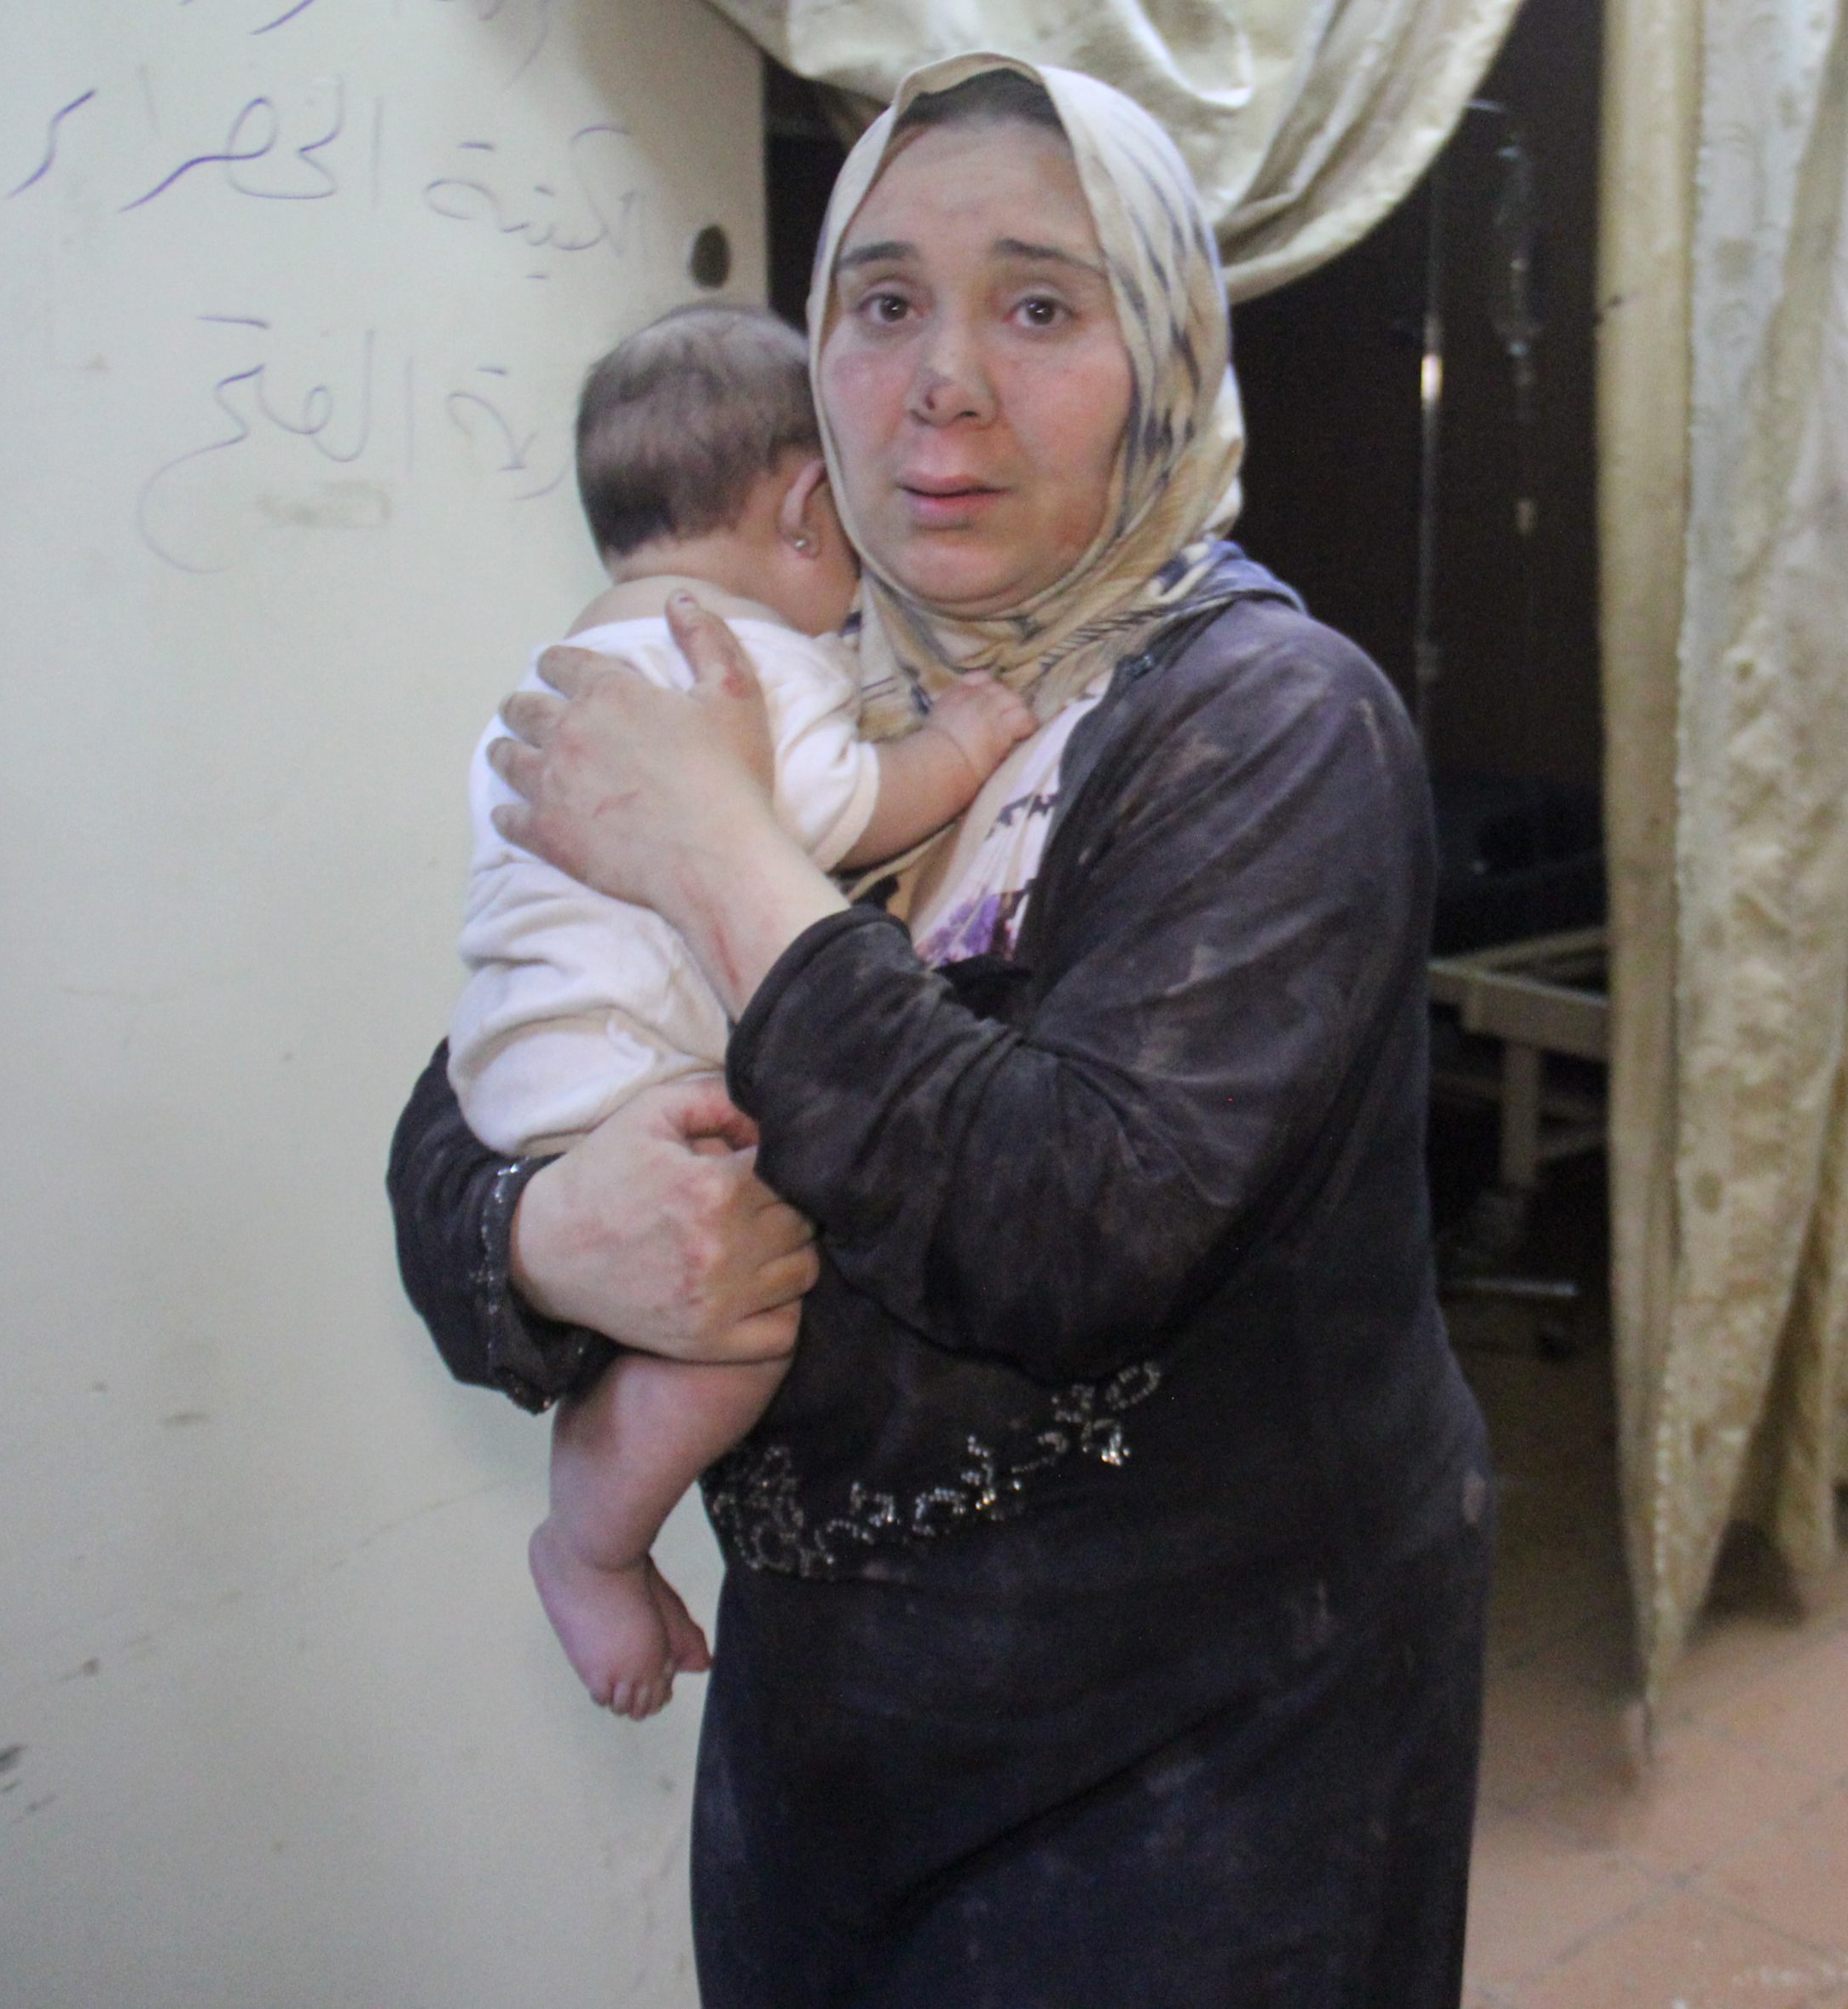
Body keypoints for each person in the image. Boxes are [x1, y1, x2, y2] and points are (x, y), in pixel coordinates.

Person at [385, 55, 1492, 2006]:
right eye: (884, 302)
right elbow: (474, 1099)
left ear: (1163, 353)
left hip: (1210, 1752)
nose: (941, 382)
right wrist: (553, 1236)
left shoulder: (1269, 726)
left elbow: (1071, 1232)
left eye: (1040, 305)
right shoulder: (781, 664)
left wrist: (727, 854)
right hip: (835, 1725)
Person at [451, 302, 1033, 1717]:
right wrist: (962, 739)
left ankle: (593, 1488)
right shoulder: (748, 664)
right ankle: (590, 1540)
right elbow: (846, 804)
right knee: (739, 1330)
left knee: (690, 1308)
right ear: (805, 505)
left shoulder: (555, 677)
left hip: (521, 1074)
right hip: (633, 1077)